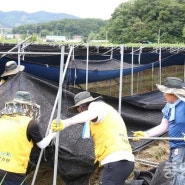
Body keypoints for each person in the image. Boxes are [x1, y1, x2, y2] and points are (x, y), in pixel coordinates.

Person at [51, 91, 135, 185]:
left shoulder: (96, 107)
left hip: (116, 160)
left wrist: (66, 122)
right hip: (123, 160)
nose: (80, 112)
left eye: (79, 109)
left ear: (83, 105)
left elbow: (91, 114)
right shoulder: (108, 110)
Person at [133, 77, 185, 185]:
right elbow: (163, 126)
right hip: (174, 147)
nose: (163, 95)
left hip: (182, 147)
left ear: (173, 94)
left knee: (179, 174)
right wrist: (146, 134)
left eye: (165, 92)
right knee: (173, 174)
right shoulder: (168, 107)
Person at [0, 91, 56, 185]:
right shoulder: (30, 123)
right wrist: (52, 134)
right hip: (14, 172)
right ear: (27, 106)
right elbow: (42, 145)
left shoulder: (2, 118)